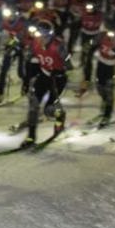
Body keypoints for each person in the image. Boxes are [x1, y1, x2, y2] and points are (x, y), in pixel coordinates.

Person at [21, 19, 69, 148]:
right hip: (44, 75)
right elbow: (29, 60)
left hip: (57, 79)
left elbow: (68, 63)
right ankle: (31, 136)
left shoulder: (58, 45)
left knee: (49, 110)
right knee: (33, 105)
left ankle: (60, 116)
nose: (41, 38)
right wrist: (26, 81)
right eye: (39, 35)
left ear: (49, 35)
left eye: (43, 35)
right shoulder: (34, 43)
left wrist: (58, 70)